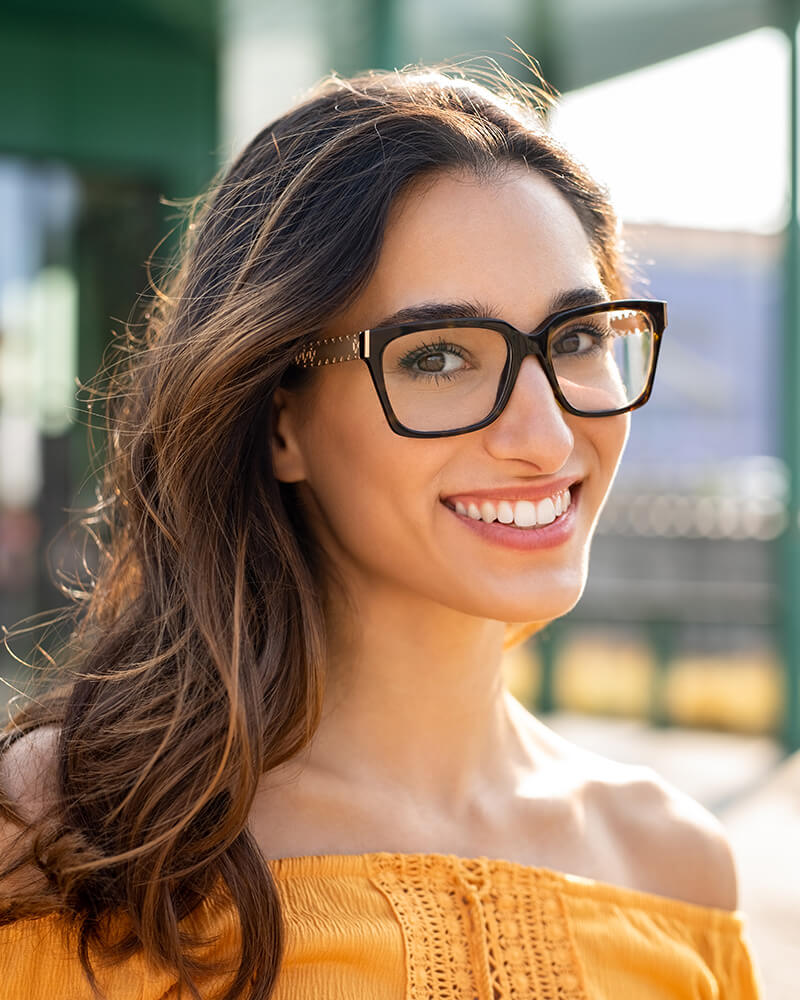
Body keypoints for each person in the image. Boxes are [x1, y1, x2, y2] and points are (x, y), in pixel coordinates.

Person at [0, 64, 761, 999]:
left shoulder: (675, 868)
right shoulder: (56, 842)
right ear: (281, 419)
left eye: (574, 339)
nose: (547, 436)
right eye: (438, 356)